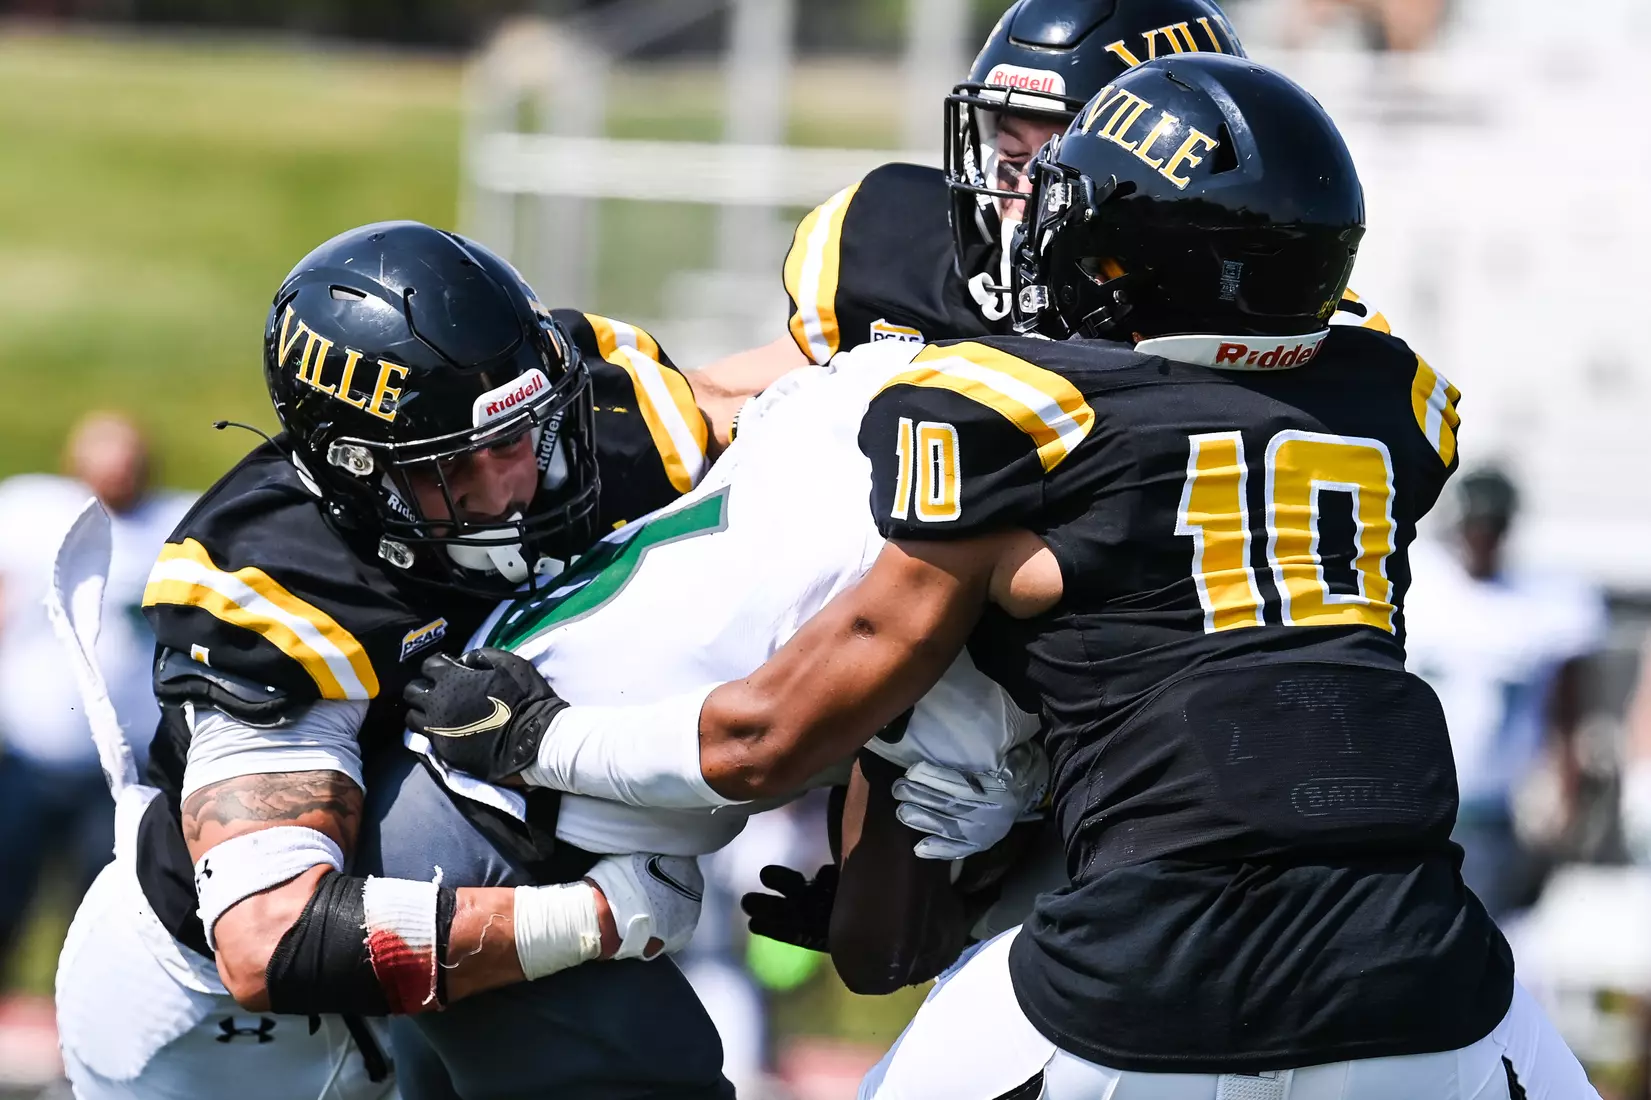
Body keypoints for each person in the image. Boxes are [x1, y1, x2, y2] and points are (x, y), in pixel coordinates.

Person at [416, 56, 1600, 1098]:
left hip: (1147, 963)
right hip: (1427, 961)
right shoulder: (1391, 402)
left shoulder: (1017, 414)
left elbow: (761, 742)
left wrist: (539, 740)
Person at [53, 221, 768, 1100]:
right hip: (232, 1032)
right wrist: (601, 916)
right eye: (465, 460)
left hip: (460, 936)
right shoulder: (280, 577)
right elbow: (271, 941)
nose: (519, 479)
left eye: (528, 434)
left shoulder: (573, 417)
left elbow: (788, 408)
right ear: (358, 471)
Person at [366, 347, 1047, 1097]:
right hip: (505, 836)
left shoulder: (881, 383)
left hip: (441, 776)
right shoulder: (966, 607)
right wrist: (540, 740)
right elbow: (875, 950)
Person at [693, 0, 1245, 405]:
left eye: (1063, 162)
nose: (1022, 187)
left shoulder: (1243, 301)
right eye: (1009, 152)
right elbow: (720, 391)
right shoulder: (903, 250)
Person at [0, 412, 192, 973]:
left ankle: (75, 1033)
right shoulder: (29, 514)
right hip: (26, 752)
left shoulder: (176, 523)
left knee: (97, 912)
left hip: (119, 770)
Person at [1406, 467, 1607, 921]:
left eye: (1491, 528)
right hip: (1415, 802)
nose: (1481, 539)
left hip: (1492, 812)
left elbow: (1567, 710)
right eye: (1474, 526)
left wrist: (1566, 789)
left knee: (1481, 931)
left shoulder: (1540, 604)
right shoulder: (1420, 586)